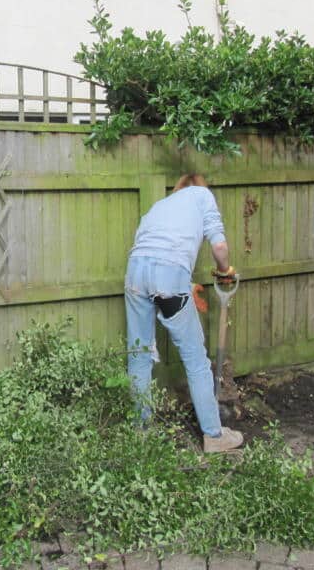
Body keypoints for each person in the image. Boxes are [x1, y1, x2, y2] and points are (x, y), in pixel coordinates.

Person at [124, 173, 243, 453]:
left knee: (139, 355)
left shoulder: (159, 206)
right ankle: (214, 436)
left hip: (135, 273)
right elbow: (219, 247)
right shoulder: (203, 196)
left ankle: (141, 434)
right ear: (199, 187)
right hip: (168, 275)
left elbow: (152, 254)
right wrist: (225, 270)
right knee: (196, 359)